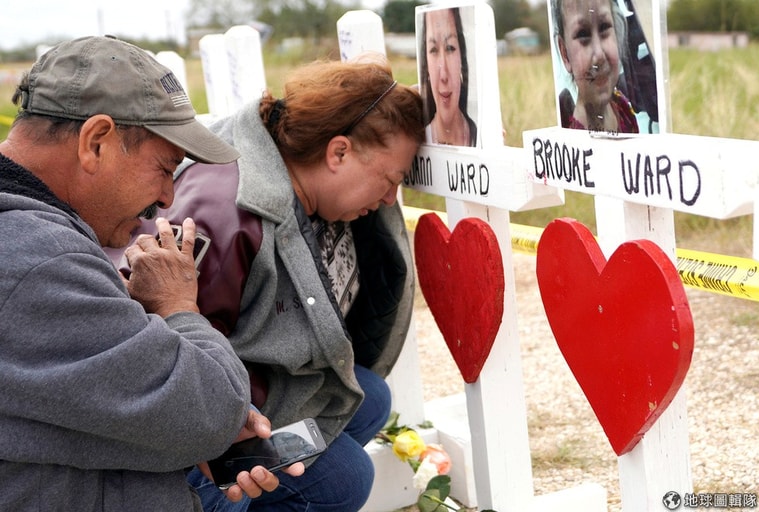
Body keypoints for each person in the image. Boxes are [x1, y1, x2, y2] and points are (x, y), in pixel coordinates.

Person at [0, 35, 302, 512]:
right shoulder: (41, 260)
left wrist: (172, 432)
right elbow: (213, 410)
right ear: (96, 142)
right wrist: (177, 304)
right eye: (165, 168)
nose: (166, 197)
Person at [118, 57, 425, 511]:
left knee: (371, 397)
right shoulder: (225, 218)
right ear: (338, 152)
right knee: (348, 477)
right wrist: (231, 442)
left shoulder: (291, 177)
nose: (389, 199)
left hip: (248, 380)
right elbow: (172, 365)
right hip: (192, 426)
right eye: (390, 179)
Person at [553, 0, 639, 133]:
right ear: (565, 54)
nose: (599, 55)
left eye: (604, 27)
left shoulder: (623, 109)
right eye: (582, 34)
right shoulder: (569, 138)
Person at [420, 7, 478, 146]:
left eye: (450, 48)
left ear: (462, 59)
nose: (443, 75)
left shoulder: (480, 137)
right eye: (433, 50)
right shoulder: (418, 145)